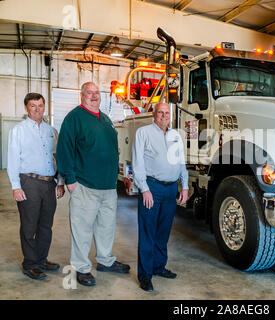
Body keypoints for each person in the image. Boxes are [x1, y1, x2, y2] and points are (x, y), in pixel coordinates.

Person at [56, 82, 130, 287]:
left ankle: (105, 261)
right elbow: (64, 150)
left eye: (97, 92)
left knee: (106, 227)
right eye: (89, 92)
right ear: (82, 96)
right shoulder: (74, 118)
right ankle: (81, 267)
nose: (94, 95)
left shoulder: (105, 119)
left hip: (108, 186)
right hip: (84, 186)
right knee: (82, 229)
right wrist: (70, 181)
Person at [7, 92, 65, 280]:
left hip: (49, 183)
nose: (37, 109)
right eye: (33, 105)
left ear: (44, 107)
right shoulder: (19, 130)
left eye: (40, 105)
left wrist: (61, 181)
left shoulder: (51, 131)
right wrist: (16, 187)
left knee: (46, 225)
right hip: (29, 182)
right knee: (29, 225)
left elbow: (57, 157)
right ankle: (30, 263)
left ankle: (41, 259)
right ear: (26, 108)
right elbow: (13, 160)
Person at [132, 102, 189, 292]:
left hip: (171, 188)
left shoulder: (175, 136)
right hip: (152, 188)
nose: (164, 116)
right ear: (153, 114)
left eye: (167, 113)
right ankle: (145, 275)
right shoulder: (144, 133)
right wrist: (144, 189)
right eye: (160, 113)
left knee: (163, 232)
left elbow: (181, 163)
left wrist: (185, 187)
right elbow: (138, 162)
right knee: (148, 232)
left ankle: (158, 267)